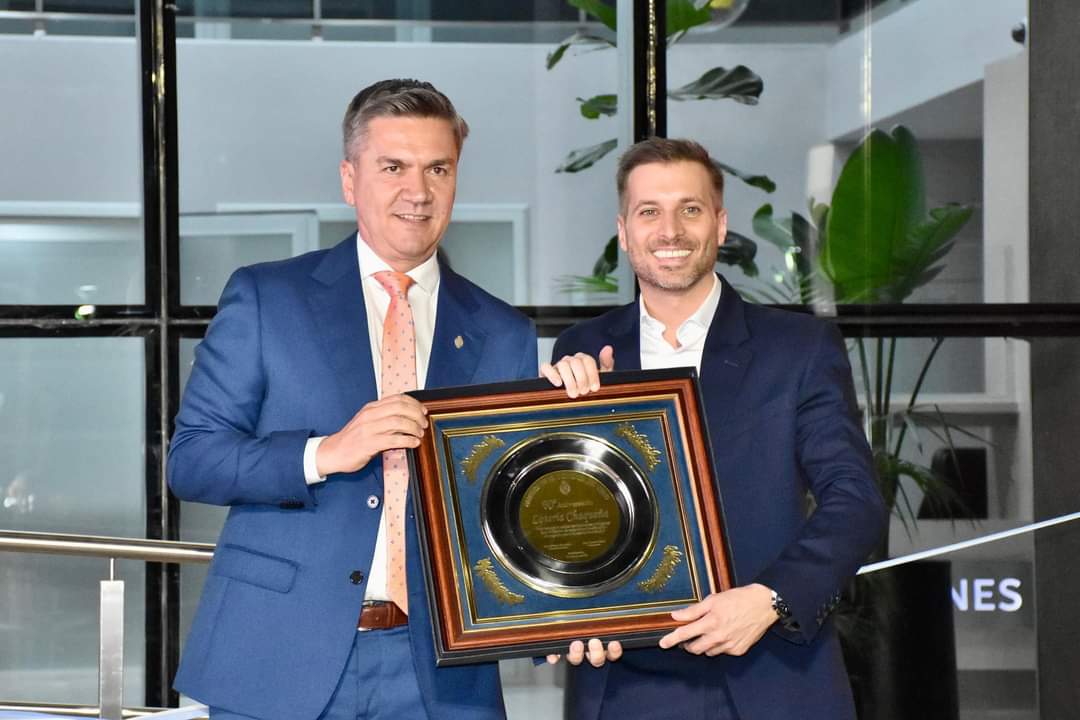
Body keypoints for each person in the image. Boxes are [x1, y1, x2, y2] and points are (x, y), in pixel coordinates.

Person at [168, 79, 539, 720]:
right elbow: (192, 460)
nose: (418, 191)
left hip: (441, 677)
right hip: (277, 655)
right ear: (349, 179)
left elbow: (510, 505)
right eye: (393, 167)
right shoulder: (267, 298)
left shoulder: (505, 332)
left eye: (438, 169)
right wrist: (326, 453)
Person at [541, 137, 886, 719]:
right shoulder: (582, 351)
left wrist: (771, 600)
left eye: (690, 209)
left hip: (769, 674)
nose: (670, 230)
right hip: (623, 686)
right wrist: (564, 614)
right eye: (649, 211)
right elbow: (562, 515)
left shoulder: (798, 348)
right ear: (624, 231)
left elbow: (855, 500)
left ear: (720, 224)